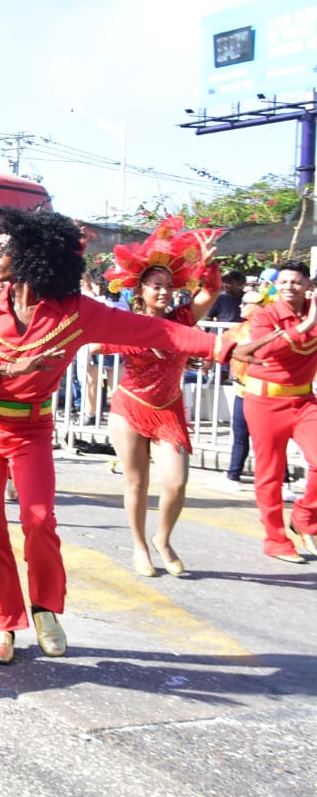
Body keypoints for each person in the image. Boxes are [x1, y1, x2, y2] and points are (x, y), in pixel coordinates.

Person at [0, 207, 268, 665]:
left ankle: (46, 609)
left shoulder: (77, 313)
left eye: (4, 248)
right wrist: (4, 368)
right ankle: (3, 624)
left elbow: (158, 330)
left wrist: (223, 346)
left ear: (34, 256)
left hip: (33, 428)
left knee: (38, 520)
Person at [96, 220, 224, 576]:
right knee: (136, 482)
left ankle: (162, 539)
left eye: (169, 286)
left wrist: (208, 265)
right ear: (141, 289)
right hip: (130, 408)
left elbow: (209, 293)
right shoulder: (126, 322)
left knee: (177, 482)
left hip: (169, 410)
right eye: (157, 286)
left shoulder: (183, 318)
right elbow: (95, 340)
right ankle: (139, 546)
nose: (165, 292)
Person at [241, 261, 317, 563]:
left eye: (296, 282)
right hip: (264, 403)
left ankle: (304, 517)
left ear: (307, 286)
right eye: (283, 282)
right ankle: (275, 540)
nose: (289, 287)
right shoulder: (265, 315)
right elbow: (261, 352)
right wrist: (306, 325)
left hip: (303, 402)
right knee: (270, 474)